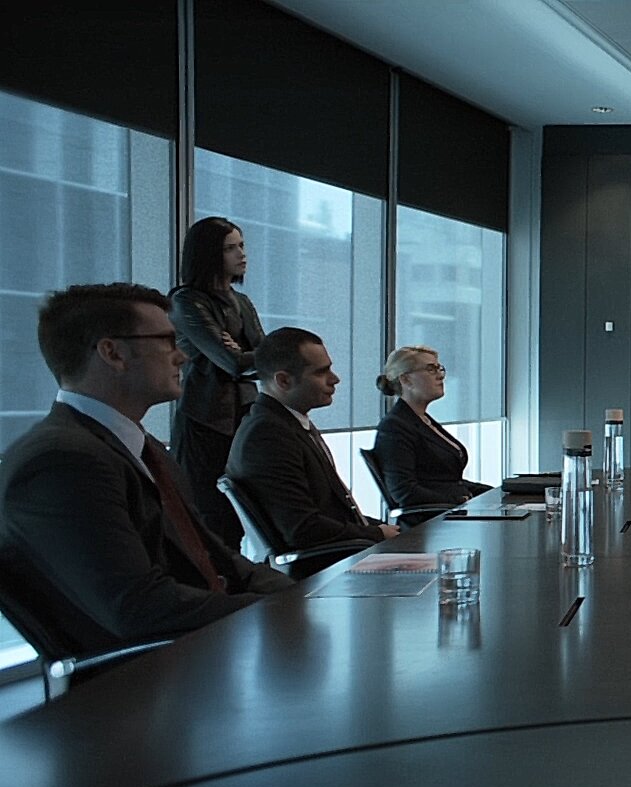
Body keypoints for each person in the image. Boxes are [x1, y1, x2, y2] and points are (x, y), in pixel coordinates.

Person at [0, 284, 292, 660]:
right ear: (113, 353)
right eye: (168, 341)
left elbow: (217, 557)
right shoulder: (61, 462)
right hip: (150, 678)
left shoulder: (142, 447)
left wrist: (300, 596)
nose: (182, 356)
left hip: (208, 650)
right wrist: (271, 609)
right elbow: (140, 606)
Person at [228, 327, 397, 562]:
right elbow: (301, 529)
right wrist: (377, 533)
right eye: (321, 372)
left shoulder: (287, 423)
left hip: (344, 553)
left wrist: (379, 529)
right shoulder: (267, 435)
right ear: (283, 380)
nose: (335, 379)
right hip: (326, 568)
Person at [168, 216, 266, 552]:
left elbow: (269, 356)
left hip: (242, 419)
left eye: (242, 245)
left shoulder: (241, 301)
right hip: (204, 421)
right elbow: (234, 363)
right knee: (211, 523)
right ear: (209, 254)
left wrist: (247, 354)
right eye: (230, 248)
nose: (242, 254)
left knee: (241, 520)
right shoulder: (186, 301)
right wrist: (244, 355)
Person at [370, 345, 491, 524]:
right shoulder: (395, 427)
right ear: (406, 380)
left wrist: (496, 492)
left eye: (439, 368)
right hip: (431, 525)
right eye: (431, 369)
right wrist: (460, 501)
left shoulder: (422, 420)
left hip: (450, 517)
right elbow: (404, 491)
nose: (440, 375)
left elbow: (447, 481)